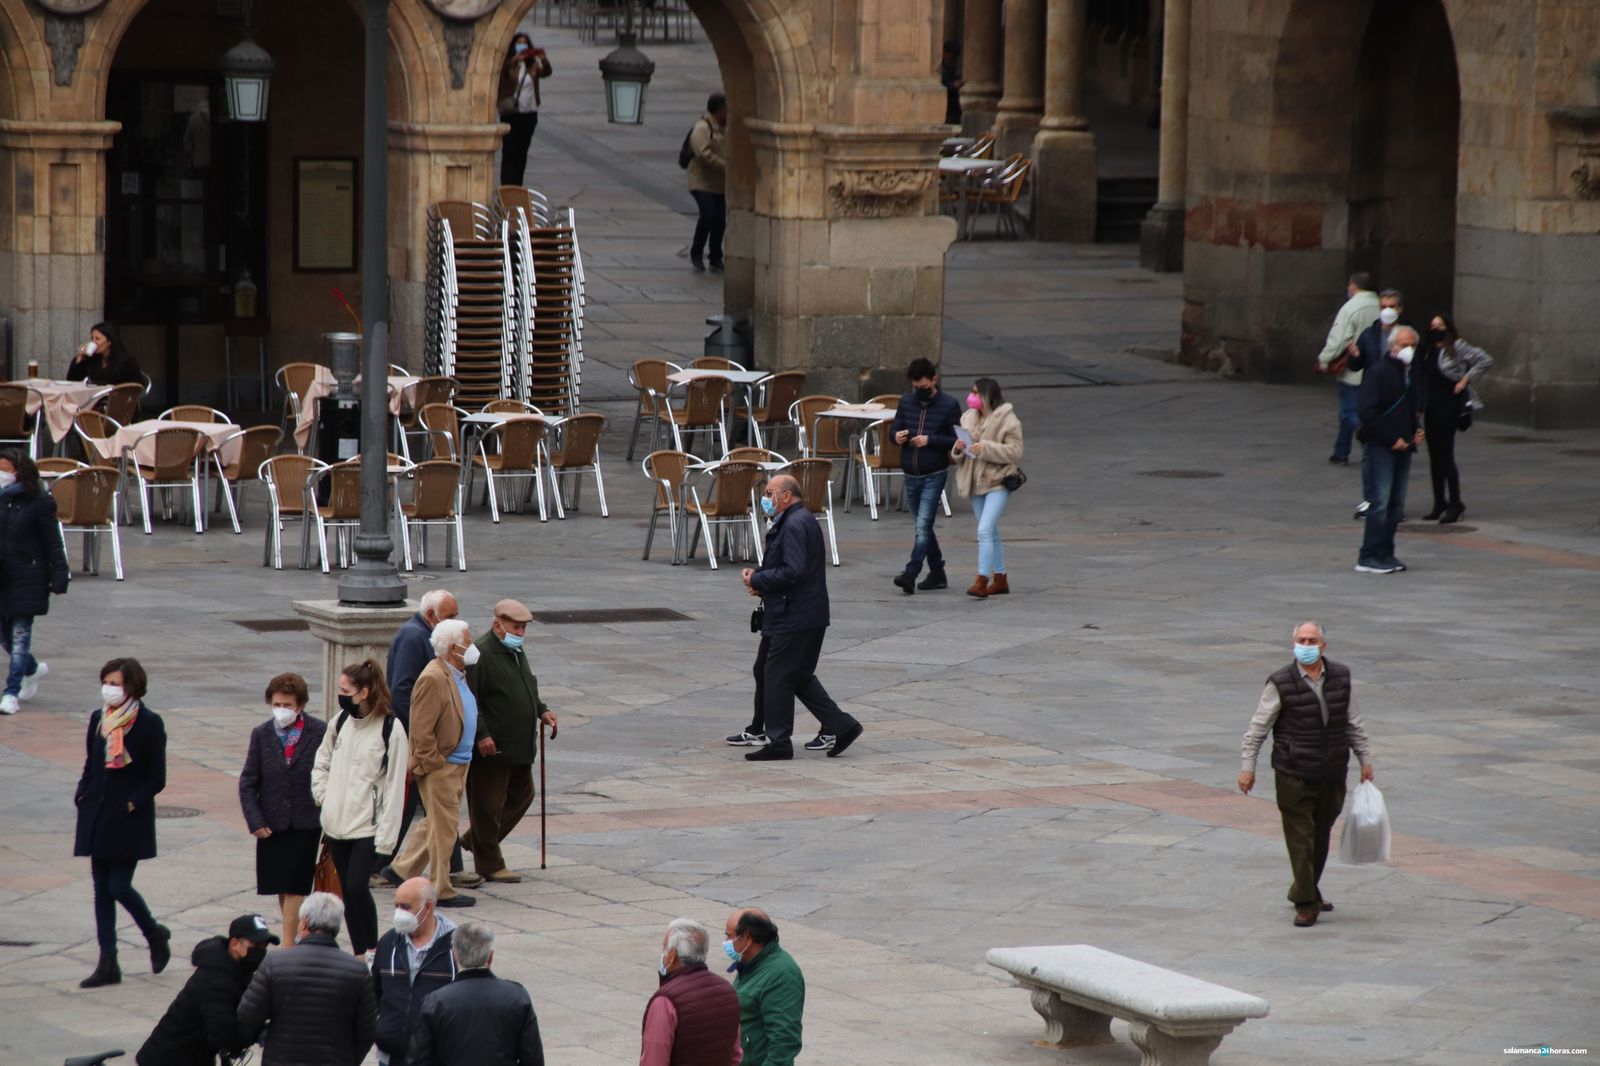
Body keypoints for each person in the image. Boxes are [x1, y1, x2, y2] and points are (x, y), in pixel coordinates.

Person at [1238, 622, 1376, 927]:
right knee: (1301, 838)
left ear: (1323, 645)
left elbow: (1352, 721)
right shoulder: (1280, 682)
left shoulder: (1341, 677)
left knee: (1320, 836)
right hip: (1294, 773)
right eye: (1301, 640)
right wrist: (1248, 767)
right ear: (1293, 644)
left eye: (1312, 640)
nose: (1306, 644)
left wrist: (1364, 758)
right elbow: (1258, 728)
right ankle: (1305, 902)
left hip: (1331, 771)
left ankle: (1304, 888)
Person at [738, 474, 863, 761]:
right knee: (794, 675)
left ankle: (779, 741)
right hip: (797, 612)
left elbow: (794, 571)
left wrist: (760, 578)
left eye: (770, 493)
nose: (765, 498)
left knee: (778, 676)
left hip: (794, 615)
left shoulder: (794, 523)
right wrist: (760, 577)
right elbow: (786, 565)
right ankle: (843, 725)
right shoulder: (795, 520)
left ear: (786, 496)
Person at [74, 657, 170, 988]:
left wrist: (133, 802)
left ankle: (154, 933)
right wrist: (82, 793)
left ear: (131, 686)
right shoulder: (99, 719)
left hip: (127, 817)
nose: (110, 689)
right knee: (101, 889)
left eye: (116, 683)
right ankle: (108, 961)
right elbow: (91, 763)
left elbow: (157, 777)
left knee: (118, 886)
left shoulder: (149, 723)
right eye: (107, 682)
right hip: (98, 813)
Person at [311, 659, 410, 958]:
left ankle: (372, 949)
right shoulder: (339, 722)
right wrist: (324, 796)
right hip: (336, 823)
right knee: (346, 894)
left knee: (356, 887)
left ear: (364, 692)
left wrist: (387, 837)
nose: (341, 695)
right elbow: (322, 761)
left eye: (345, 690)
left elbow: (395, 786)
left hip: (368, 825)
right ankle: (358, 954)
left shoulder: (391, 729)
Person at [463, 598, 558, 882]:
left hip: (519, 746)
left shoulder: (515, 652)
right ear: (497, 625)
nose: (520, 634)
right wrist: (482, 734)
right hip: (494, 746)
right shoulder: (479, 654)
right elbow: (470, 699)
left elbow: (527, 686)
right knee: (487, 805)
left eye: (523, 629)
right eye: (516, 628)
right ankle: (490, 863)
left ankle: (476, 839)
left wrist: (542, 709)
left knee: (523, 794)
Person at [384, 590, 470, 888]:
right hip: (426, 746)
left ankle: (428, 868)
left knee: (436, 816)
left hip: (439, 750)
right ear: (432, 616)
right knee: (421, 809)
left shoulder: (427, 636)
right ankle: (389, 865)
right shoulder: (413, 637)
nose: (455, 622)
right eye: (451, 617)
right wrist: (427, 748)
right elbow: (404, 691)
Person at [236, 892, 378, 1066]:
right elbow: (367, 1030)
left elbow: (248, 1015)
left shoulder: (275, 962)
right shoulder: (357, 970)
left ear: (303, 922)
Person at [239, 672, 328, 943]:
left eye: (288, 705)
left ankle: (288, 945)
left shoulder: (319, 732)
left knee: (295, 886)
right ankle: (298, 936)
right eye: (277, 704)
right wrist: (255, 820)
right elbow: (248, 781)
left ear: (300, 705)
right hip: (272, 824)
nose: (282, 710)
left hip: (305, 823)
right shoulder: (262, 735)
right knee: (280, 885)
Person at [135, 914, 277, 1066]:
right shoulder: (217, 981)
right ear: (235, 944)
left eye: (264, 946)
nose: (261, 952)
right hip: (171, 1059)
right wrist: (254, 1032)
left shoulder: (235, 969)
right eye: (256, 946)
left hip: (192, 1056)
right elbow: (224, 1035)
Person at [407, 920, 546, 1066]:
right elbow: (533, 1058)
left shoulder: (435, 1002)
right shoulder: (516, 996)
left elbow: (418, 1059)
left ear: (455, 956)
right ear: (490, 957)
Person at [0, 449, 69, 715]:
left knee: (19, 636)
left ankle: (11, 692)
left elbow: (53, 543)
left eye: (6, 470)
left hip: (28, 578)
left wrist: (59, 575)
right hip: (4, 579)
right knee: (5, 636)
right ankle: (32, 669)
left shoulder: (40, 501)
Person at [889, 358, 963, 594]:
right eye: (916, 387)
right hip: (910, 473)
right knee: (924, 527)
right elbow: (894, 429)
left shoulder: (949, 405)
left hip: (934, 473)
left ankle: (911, 572)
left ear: (934, 380)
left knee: (922, 526)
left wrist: (930, 439)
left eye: (924, 387)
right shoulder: (906, 401)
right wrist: (897, 436)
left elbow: (957, 439)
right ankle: (938, 573)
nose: (920, 392)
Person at [1355, 325, 1425, 574]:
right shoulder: (1378, 372)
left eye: (1411, 345)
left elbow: (1409, 407)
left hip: (1404, 446)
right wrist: (1390, 438)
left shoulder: (1408, 374)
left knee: (1396, 504)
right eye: (1402, 344)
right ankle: (1369, 554)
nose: (1407, 349)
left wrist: (1415, 429)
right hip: (1382, 446)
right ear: (1392, 346)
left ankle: (1386, 552)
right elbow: (1367, 411)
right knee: (1380, 502)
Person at [949, 378, 1022, 598]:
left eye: (976, 393)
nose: (971, 397)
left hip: (998, 480)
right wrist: (959, 448)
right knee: (990, 530)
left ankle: (982, 580)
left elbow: (1015, 452)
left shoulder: (1008, 420)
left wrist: (986, 448)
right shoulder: (968, 417)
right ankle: (1001, 578)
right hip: (974, 481)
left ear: (987, 396)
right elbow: (957, 452)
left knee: (984, 530)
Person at [372, 877, 457, 1066]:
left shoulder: (455, 947)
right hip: (391, 1057)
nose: (399, 913)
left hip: (437, 1058)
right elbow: (375, 994)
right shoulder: (389, 942)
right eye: (396, 906)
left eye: (405, 906)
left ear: (427, 907)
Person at [1421, 312, 1493, 524]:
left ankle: (1455, 502)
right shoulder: (1428, 349)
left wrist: (1466, 380)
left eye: (1440, 326)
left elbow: (1485, 359)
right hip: (1431, 406)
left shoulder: (1457, 346)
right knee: (1434, 455)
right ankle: (1438, 502)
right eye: (1433, 325)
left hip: (1449, 405)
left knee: (1445, 454)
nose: (1435, 329)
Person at [641, 918, 741, 1066]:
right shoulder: (727, 991)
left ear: (672, 954)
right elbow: (735, 1055)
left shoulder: (665, 1001)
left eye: (664, 948)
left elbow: (654, 1060)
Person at [1347, 289, 1411, 520]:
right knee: (1370, 453)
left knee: (1401, 454)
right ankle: (1371, 498)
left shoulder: (1407, 334)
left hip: (1399, 402)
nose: (1387, 311)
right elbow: (1356, 365)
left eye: (1392, 306)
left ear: (1400, 309)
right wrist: (1353, 355)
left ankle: (1393, 503)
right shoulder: (1369, 334)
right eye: (1383, 306)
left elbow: (1418, 372)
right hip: (1375, 401)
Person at [1315, 273, 1380, 467]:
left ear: (1353, 286)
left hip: (1354, 370)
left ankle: (1369, 436)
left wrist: (1323, 360)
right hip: (1376, 369)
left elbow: (1339, 339)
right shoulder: (1381, 305)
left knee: (1349, 412)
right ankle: (1340, 451)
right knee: (1351, 412)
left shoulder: (1350, 308)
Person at [724, 908, 803, 1066]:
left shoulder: (781, 974)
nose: (725, 941)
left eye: (729, 935)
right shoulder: (751, 963)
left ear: (747, 937)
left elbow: (784, 1043)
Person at [497, 32, 552, 187]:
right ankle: (507, 184)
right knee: (509, 151)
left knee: (521, 151)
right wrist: (515, 59)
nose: (523, 45)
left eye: (525, 43)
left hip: (529, 113)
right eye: (519, 42)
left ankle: (517, 184)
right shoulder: (509, 64)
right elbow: (500, 72)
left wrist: (543, 58)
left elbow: (547, 72)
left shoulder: (531, 65)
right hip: (512, 113)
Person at [687, 92, 728, 274]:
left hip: (719, 184)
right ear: (720, 110)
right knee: (708, 214)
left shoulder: (725, 127)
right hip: (701, 182)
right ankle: (697, 252)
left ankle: (715, 256)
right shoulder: (703, 128)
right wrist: (725, 166)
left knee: (720, 220)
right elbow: (702, 153)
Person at [66, 321, 142, 387]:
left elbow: (135, 388)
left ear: (109, 341)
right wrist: (80, 357)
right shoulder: (93, 359)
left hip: (117, 400)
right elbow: (71, 380)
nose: (94, 342)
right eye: (92, 338)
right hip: (96, 399)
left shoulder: (127, 362)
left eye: (97, 339)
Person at [939, 41, 964, 126]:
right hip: (946, 109)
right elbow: (940, 85)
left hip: (953, 108)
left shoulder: (949, 68)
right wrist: (953, 86)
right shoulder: (940, 70)